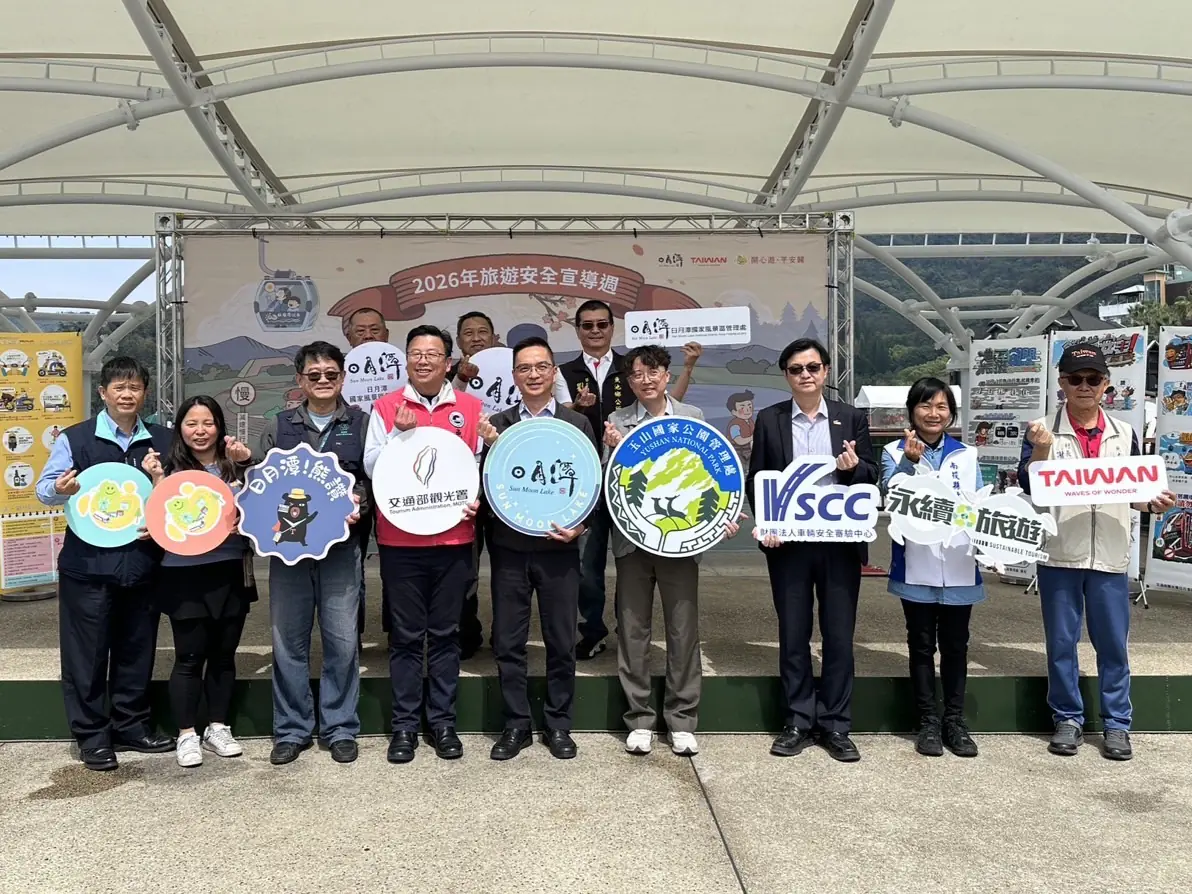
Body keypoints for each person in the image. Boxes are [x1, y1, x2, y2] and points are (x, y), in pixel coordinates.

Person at [1017, 342, 1175, 761]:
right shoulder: (1040, 429)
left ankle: (1117, 724)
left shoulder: (1124, 433)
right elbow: (1030, 487)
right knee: (1062, 643)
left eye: (1092, 379)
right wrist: (1041, 448)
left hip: (1108, 554)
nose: (1084, 386)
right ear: (1061, 383)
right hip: (1059, 553)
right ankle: (1067, 718)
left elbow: (1135, 493)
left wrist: (1151, 502)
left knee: (1113, 646)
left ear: (1106, 384)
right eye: (1075, 378)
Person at [34, 356, 174, 772]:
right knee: (86, 653)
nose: (126, 394)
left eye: (134, 387)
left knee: (137, 647)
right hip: (87, 565)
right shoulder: (75, 439)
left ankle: (132, 726)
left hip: (142, 562)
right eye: (118, 387)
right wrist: (61, 488)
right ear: (103, 393)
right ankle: (93, 736)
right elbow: (44, 490)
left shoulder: (162, 441)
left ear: (145, 393)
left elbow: (177, 499)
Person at [602, 345, 738, 756]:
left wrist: (723, 516)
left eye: (653, 372)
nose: (645, 380)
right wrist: (612, 448)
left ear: (666, 375)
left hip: (682, 541)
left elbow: (714, 472)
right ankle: (640, 718)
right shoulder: (616, 420)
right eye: (636, 374)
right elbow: (610, 486)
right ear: (628, 382)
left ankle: (682, 719)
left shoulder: (691, 418)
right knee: (632, 629)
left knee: (682, 630)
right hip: (632, 541)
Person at [746, 337, 877, 763]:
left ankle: (836, 724)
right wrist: (766, 524)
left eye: (813, 367)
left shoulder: (850, 417)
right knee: (793, 634)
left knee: (839, 636)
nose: (805, 375)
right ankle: (799, 720)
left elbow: (871, 476)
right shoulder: (770, 419)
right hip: (790, 546)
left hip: (839, 545)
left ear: (825, 372)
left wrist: (854, 467)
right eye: (796, 369)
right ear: (786, 375)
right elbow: (758, 479)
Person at [364, 325, 484, 764]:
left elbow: (475, 466)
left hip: (454, 538)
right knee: (407, 637)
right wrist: (399, 434)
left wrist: (474, 501)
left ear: (448, 362)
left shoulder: (469, 407)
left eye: (433, 354)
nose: (424, 360)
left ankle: (444, 723)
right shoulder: (385, 406)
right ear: (406, 360)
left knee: (447, 634)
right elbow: (372, 465)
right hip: (401, 541)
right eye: (416, 353)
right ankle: (404, 727)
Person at [480, 337, 591, 761]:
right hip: (509, 550)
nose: (533, 374)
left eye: (541, 367)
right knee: (508, 642)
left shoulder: (575, 424)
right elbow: (483, 488)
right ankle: (516, 725)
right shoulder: (498, 424)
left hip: (559, 551)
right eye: (524, 368)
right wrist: (487, 450)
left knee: (561, 640)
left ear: (553, 372)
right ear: (514, 376)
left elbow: (590, 485)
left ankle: (559, 725)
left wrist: (580, 526)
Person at [257, 341, 368, 766]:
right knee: (288, 642)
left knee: (342, 640)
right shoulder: (279, 425)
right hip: (288, 550)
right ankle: (292, 729)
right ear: (300, 380)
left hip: (341, 549)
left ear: (342, 377)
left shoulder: (360, 423)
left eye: (331, 374)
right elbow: (260, 483)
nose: (323, 381)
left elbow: (374, 479)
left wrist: (360, 502)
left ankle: (340, 727)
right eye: (314, 375)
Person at [142, 397, 256, 768]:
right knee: (189, 657)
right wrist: (156, 481)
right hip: (183, 573)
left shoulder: (236, 468)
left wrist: (246, 469)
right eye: (192, 424)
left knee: (224, 656)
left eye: (208, 423)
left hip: (230, 569)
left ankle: (218, 727)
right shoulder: (168, 469)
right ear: (180, 429)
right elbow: (150, 521)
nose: (200, 431)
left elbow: (261, 508)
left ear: (220, 427)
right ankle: (187, 733)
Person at [880, 378, 982, 758]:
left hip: (958, 561)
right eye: (925, 406)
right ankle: (926, 722)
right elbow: (891, 495)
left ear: (951, 414)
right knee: (921, 644)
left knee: (956, 645)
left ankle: (955, 721)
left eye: (941, 407)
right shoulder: (894, 452)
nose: (933, 413)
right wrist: (909, 460)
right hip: (916, 564)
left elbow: (978, 504)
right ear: (911, 411)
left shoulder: (967, 455)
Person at [343, 306, 391, 644]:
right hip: (352, 485)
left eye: (375, 329)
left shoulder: (403, 374)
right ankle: (351, 636)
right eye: (360, 331)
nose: (368, 336)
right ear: (348, 336)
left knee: (396, 562)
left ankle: (397, 633)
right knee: (351, 563)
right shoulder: (335, 376)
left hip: (396, 480)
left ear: (386, 335)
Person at [725, 389, 756, 469]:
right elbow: (739, 440)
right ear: (734, 412)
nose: (747, 409)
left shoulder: (750, 422)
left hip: (750, 453)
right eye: (742, 407)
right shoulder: (735, 426)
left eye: (749, 406)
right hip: (737, 453)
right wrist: (752, 437)